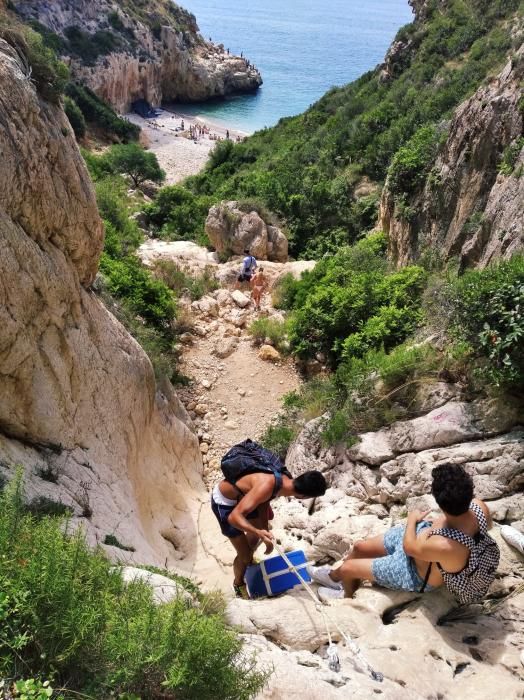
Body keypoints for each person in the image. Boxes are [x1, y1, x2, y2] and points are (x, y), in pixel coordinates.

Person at [308, 463, 495, 600]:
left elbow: (409, 548)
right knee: (359, 547)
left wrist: (412, 519)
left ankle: (345, 594)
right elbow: (484, 528)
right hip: (422, 541)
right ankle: (334, 578)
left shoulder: (447, 546)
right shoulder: (479, 507)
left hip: (414, 572)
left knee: (349, 567)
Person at [211, 468, 327, 598]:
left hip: (244, 496)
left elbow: (264, 501)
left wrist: (264, 531)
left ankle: (248, 562)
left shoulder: (284, 480)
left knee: (254, 540)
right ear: (304, 496)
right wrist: (258, 531)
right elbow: (234, 517)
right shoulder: (268, 485)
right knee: (244, 555)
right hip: (224, 502)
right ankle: (238, 584)